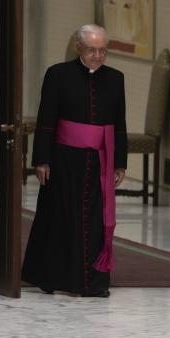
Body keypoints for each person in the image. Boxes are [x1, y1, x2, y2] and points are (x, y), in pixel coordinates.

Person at [21, 24, 127, 298]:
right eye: (92, 50)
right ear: (79, 48)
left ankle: (94, 282)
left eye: (103, 50)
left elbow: (119, 125)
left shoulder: (116, 79)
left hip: (99, 161)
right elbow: (46, 120)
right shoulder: (58, 74)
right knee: (60, 218)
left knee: (95, 219)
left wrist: (120, 162)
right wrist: (42, 160)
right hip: (64, 159)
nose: (98, 56)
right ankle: (54, 277)